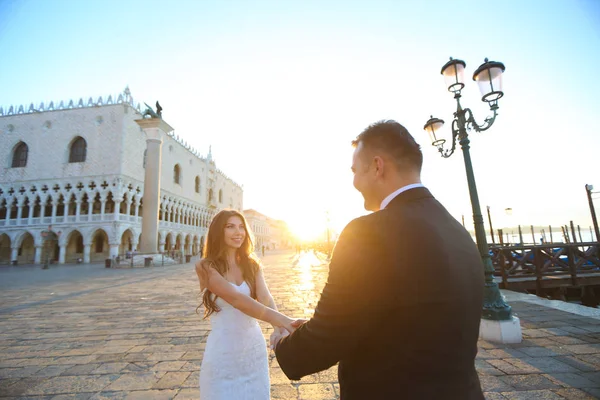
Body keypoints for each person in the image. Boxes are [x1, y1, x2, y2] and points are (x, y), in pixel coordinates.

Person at [272, 120, 485, 399]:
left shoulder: (367, 232)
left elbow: (329, 336)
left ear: (377, 166)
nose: (354, 182)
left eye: (354, 171)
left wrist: (283, 345)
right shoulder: (458, 231)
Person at [195, 209, 296, 400]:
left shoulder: (252, 264)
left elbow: (265, 297)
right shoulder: (205, 266)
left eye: (241, 227)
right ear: (218, 231)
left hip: (252, 350)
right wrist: (284, 321)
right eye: (230, 227)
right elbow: (237, 299)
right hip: (223, 350)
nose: (238, 232)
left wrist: (278, 328)